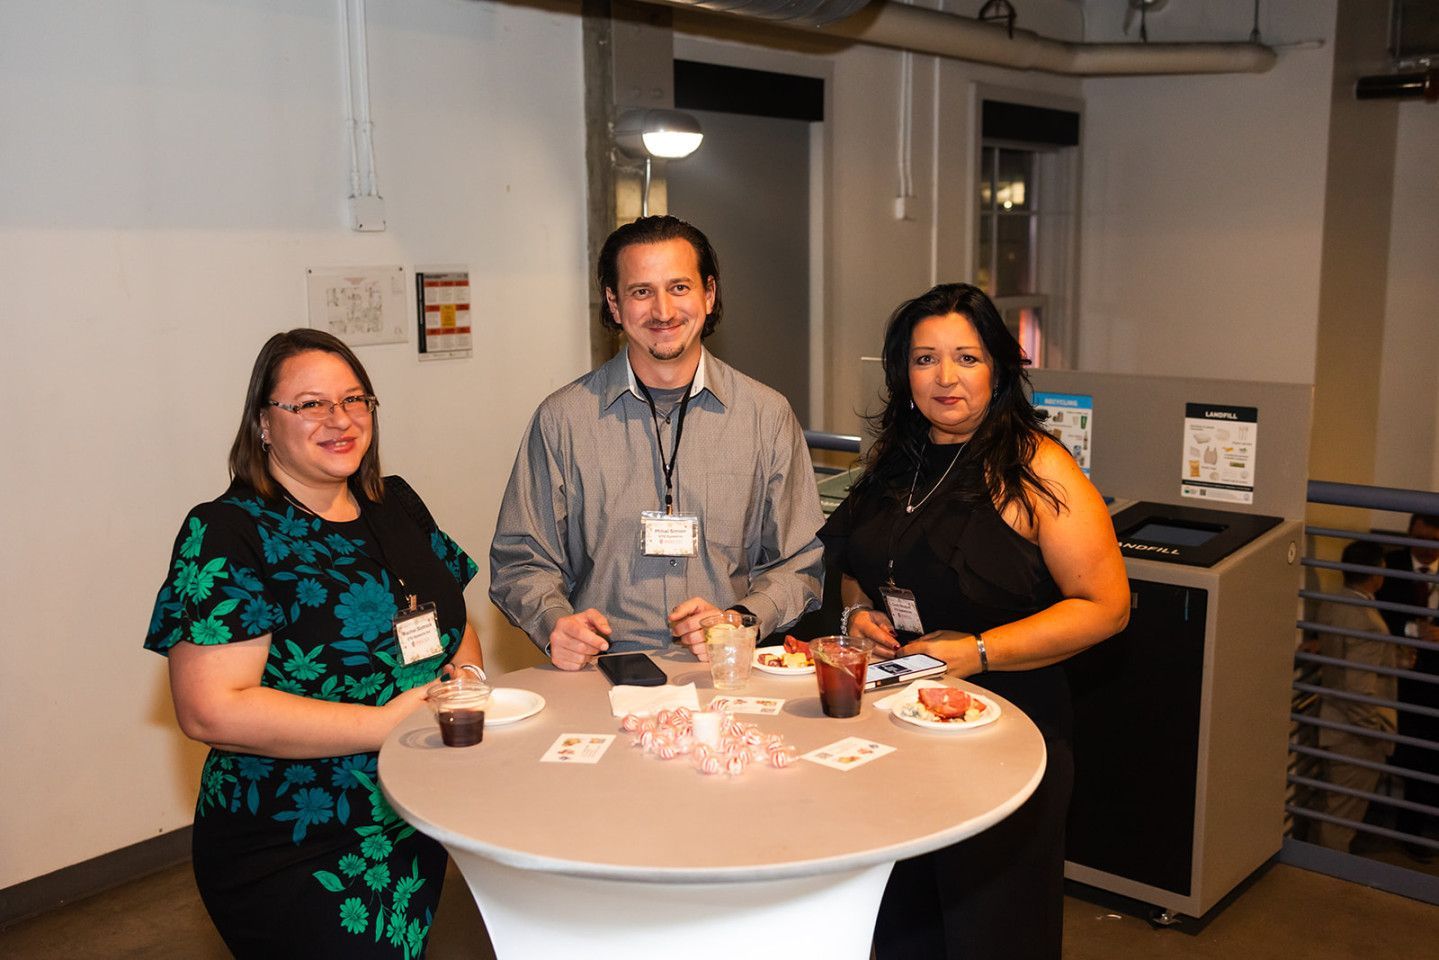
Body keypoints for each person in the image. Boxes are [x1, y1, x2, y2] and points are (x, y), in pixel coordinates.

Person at [144, 329, 483, 958]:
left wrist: (464, 691)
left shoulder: (395, 504)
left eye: (355, 400)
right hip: (291, 839)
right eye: (310, 405)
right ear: (263, 425)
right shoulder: (227, 532)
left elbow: (453, 621)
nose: (340, 419)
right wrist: (383, 723)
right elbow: (209, 708)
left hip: (406, 817)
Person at [819, 283, 1129, 960]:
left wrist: (979, 652)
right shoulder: (893, 463)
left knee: (987, 929)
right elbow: (855, 561)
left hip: (1007, 735)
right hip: (899, 729)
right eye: (925, 359)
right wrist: (858, 610)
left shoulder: (1037, 468)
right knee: (900, 922)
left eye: (966, 357)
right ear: (903, 373)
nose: (945, 377)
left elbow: (1106, 607)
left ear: (998, 367)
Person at [489, 215, 824, 668]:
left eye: (679, 288)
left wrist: (740, 621)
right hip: (600, 676)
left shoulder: (766, 415)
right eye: (641, 291)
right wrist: (552, 623)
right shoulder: (562, 420)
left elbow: (801, 559)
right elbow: (520, 559)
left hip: (726, 674)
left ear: (709, 294)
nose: (663, 311)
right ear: (613, 303)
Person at [1313, 540, 1399, 851]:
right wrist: (1374, 731)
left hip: (1331, 721)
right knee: (1342, 820)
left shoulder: (1332, 603)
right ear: (1377, 571)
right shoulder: (1367, 620)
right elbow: (1358, 687)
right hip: (1355, 736)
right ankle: (1325, 888)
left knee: (1330, 809)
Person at [1376, 512, 1439, 861]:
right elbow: (1378, 617)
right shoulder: (1389, 566)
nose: (1427, 550)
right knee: (1411, 754)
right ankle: (1410, 832)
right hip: (1399, 678)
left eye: (1434, 542)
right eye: (1420, 540)